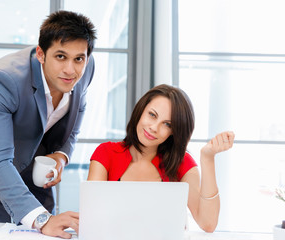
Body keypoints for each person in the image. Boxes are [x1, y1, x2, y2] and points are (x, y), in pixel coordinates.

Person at [0, 10, 96, 239]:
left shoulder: (86, 68)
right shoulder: (2, 80)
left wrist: (61, 155)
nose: (70, 70)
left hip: (34, 162)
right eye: (60, 57)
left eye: (79, 58)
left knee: (45, 232)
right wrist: (42, 219)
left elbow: (78, 108)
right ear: (41, 54)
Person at [87, 84, 235, 233]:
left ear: (174, 132)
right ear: (141, 110)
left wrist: (208, 158)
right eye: (152, 115)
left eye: (167, 124)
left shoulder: (182, 163)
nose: (154, 127)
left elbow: (208, 223)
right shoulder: (106, 153)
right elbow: (92, 218)